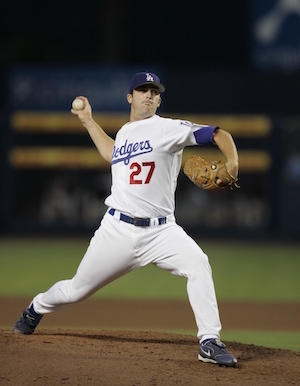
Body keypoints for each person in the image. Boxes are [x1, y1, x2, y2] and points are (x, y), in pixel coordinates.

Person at [13, 72, 239, 367]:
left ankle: (209, 341)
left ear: (159, 100)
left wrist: (233, 162)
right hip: (116, 230)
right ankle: (35, 308)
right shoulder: (124, 133)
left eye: (155, 92)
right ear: (130, 98)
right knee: (76, 290)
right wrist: (88, 122)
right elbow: (112, 153)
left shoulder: (169, 128)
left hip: (162, 232)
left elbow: (220, 134)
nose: (149, 95)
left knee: (199, 264)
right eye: (143, 90)